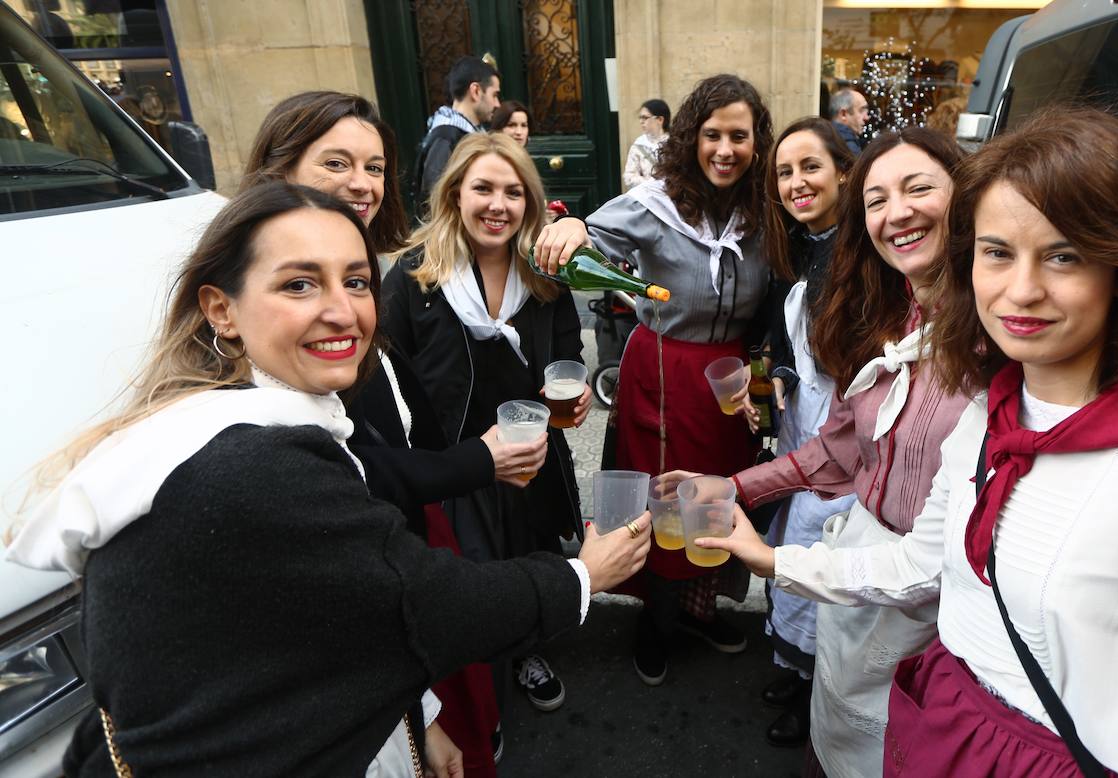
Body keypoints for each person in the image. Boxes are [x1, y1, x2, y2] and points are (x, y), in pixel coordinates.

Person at [702, 108, 1118, 776]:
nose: (1022, 289)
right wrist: (767, 551)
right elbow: (918, 559)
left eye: (1063, 255)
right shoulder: (986, 419)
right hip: (939, 725)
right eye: (998, 253)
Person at [3, 181, 652, 777]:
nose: (343, 311)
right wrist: (585, 574)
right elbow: (426, 605)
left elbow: (338, 624)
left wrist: (419, 716)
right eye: (299, 285)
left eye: (357, 282)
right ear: (221, 309)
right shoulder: (249, 467)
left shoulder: (219, 421)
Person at [240, 90, 541, 775]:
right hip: (365, 572)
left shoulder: (370, 276)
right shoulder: (272, 318)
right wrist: (474, 464)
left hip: (421, 516)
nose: (362, 184)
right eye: (336, 163)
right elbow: (346, 468)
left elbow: (396, 416)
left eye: (374, 168)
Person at [661, 125, 971, 777]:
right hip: (859, 599)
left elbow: (929, 562)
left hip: (927, 622)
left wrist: (773, 559)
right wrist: (735, 487)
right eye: (878, 200)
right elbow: (837, 447)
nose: (897, 212)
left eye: (918, 188)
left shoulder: (991, 347)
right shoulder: (895, 320)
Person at [533, 74, 774, 687]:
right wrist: (571, 225)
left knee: (717, 493)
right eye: (713, 134)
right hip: (662, 372)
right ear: (691, 137)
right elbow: (590, 234)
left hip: (728, 381)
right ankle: (656, 620)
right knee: (663, 497)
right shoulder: (655, 203)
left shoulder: (765, 210)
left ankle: (698, 608)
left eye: (739, 136)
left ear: (756, 142)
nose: (725, 149)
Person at [384, 132, 593, 721]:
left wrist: (574, 397)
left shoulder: (545, 276)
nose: (498, 205)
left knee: (529, 558)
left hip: (530, 460)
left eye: (513, 192)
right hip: (456, 467)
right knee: (465, 585)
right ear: (455, 194)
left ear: (530, 202)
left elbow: (568, 352)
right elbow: (388, 379)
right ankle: (476, 700)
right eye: (483, 189)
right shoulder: (415, 279)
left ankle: (524, 654)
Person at [752, 116, 856, 749]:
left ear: (845, 172)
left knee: (825, 561)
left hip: (846, 435)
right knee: (792, 548)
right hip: (801, 426)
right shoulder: (799, 245)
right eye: (785, 173)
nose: (796, 183)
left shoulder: (864, 253)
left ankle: (819, 696)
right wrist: (779, 376)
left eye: (810, 167)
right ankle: (794, 671)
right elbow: (787, 336)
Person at [416, 56, 501, 211]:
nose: (497, 104)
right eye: (494, 95)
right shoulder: (446, 138)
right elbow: (433, 201)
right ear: (476, 91)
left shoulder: (459, 135)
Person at [622, 98, 670, 189]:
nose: (641, 121)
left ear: (660, 119)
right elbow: (628, 177)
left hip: (672, 195)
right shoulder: (638, 145)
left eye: (645, 118)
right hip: (648, 194)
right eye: (640, 118)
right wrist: (651, 184)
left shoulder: (675, 144)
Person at [828, 85, 869, 154]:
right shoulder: (849, 149)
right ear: (843, 114)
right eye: (861, 110)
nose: (866, 117)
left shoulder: (825, 139)